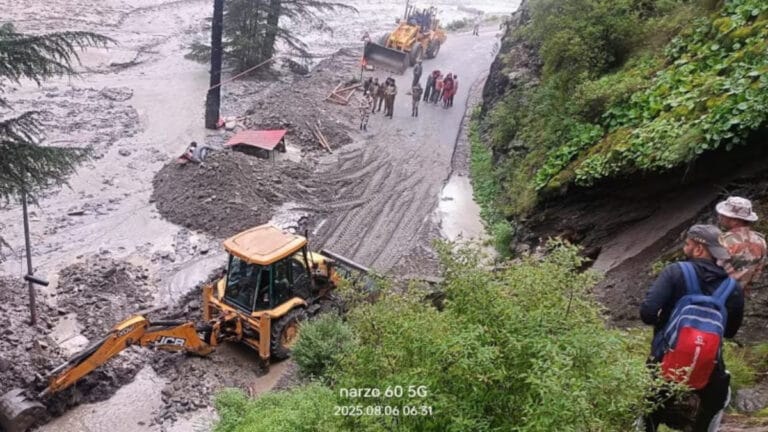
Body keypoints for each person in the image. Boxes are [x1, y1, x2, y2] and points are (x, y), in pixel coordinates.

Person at [640, 224, 744, 432]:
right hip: (709, 369)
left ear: (698, 249)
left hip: (663, 364)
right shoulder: (733, 288)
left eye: (687, 244)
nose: (685, 248)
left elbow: (647, 313)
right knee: (718, 400)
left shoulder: (675, 272)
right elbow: (730, 332)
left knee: (646, 410)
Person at [716, 196, 767, 294]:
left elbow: (712, 270)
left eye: (724, 215)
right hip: (741, 295)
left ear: (735, 220)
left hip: (720, 293)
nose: (720, 216)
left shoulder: (723, 241)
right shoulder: (761, 241)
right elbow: (757, 274)